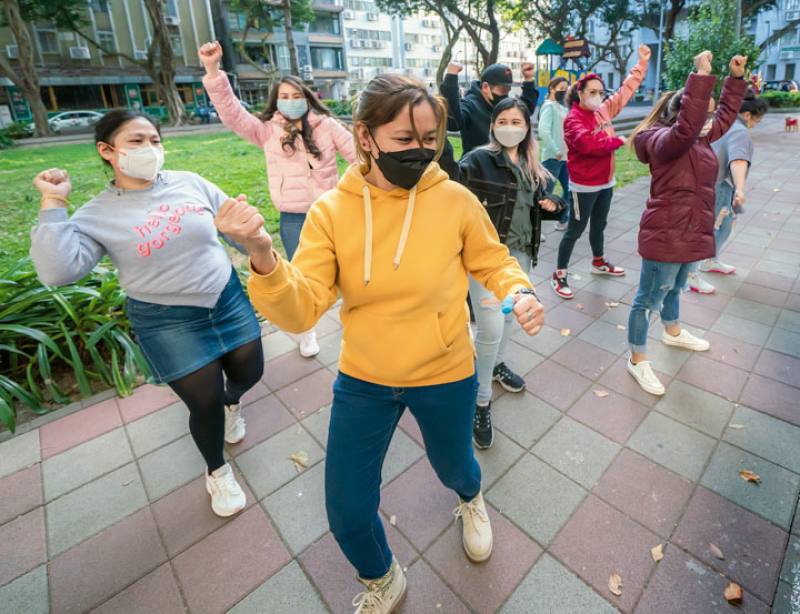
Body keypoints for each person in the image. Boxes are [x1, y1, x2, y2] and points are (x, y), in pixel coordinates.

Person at [214, 73, 545, 614]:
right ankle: (381, 578)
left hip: (444, 371)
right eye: (403, 139)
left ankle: (470, 498)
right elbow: (301, 307)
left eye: (429, 139)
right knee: (346, 507)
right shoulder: (331, 212)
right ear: (364, 137)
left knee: (456, 466)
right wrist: (262, 256)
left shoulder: (454, 200)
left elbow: (493, 260)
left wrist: (519, 291)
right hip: (365, 378)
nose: (420, 152)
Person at [29, 110, 264, 517]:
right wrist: (54, 202)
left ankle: (233, 402)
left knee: (250, 373)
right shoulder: (97, 212)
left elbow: (235, 227)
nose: (150, 149)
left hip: (225, 297)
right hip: (167, 319)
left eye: (155, 140)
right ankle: (217, 470)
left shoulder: (191, 183)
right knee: (202, 403)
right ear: (108, 151)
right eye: (136, 141)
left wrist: (250, 238)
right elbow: (58, 271)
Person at [199, 40, 357, 359]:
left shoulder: (326, 125)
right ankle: (306, 330)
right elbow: (232, 113)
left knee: (348, 267)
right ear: (276, 101)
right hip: (295, 217)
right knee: (301, 275)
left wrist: (341, 190)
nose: (290, 101)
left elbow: (360, 157)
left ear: (308, 98)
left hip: (333, 213)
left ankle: (354, 318)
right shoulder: (267, 131)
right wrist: (213, 70)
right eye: (283, 96)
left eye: (296, 95)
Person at [625, 51, 748, 395]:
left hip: (692, 230)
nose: (708, 122)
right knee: (648, 298)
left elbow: (723, 116)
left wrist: (734, 80)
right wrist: (701, 74)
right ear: (680, 115)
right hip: (665, 232)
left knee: (676, 287)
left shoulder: (700, 137)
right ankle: (636, 359)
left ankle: (673, 331)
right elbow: (686, 130)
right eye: (700, 113)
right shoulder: (658, 140)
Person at [458, 97, 563, 449]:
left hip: (522, 256)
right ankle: (480, 401)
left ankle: (497, 365)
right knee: (489, 328)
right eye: (502, 120)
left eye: (516, 120)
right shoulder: (476, 161)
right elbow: (456, 206)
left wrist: (554, 204)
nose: (509, 126)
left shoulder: (531, 165)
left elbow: (540, 206)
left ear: (526, 126)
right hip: (488, 259)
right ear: (492, 125)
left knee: (510, 320)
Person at [550, 44, 651, 299]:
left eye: (600, 92)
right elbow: (587, 146)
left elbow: (624, 92)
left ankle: (598, 261)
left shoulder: (603, 109)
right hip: (583, 186)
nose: (598, 96)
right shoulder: (573, 119)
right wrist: (618, 141)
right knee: (575, 229)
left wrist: (641, 65)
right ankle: (559, 274)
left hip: (606, 182)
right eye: (592, 92)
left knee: (600, 224)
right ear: (579, 94)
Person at [687, 90, 768, 294]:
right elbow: (738, 160)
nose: (755, 125)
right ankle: (691, 274)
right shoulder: (739, 131)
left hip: (709, 182)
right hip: (719, 185)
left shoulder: (722, 123)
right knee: (710, 229)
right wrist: (740, 190)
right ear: (748, 115)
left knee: (719, 227)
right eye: (757, 120)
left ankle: (708, 261)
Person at [440, 61, 539, 156]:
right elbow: (454, 122)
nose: (505, 95)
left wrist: (529, 79)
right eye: (502, 90)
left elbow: (525, 108)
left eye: (508, 91)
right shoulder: (470, 106)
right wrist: (451, 78)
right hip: (476, 169)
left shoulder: (503, 106)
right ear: (485, 87)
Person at [539, 76, 570, 231]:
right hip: (553, 159)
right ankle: (536, 226)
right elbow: (543, 131)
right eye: (561, 88)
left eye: (566, 89)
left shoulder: (561, 107)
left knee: (570, 189)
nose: (564, 91)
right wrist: (556, 150)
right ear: (552, 88)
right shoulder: (548, 106)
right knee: (545, 195)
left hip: (565, 158)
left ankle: (563, 219)